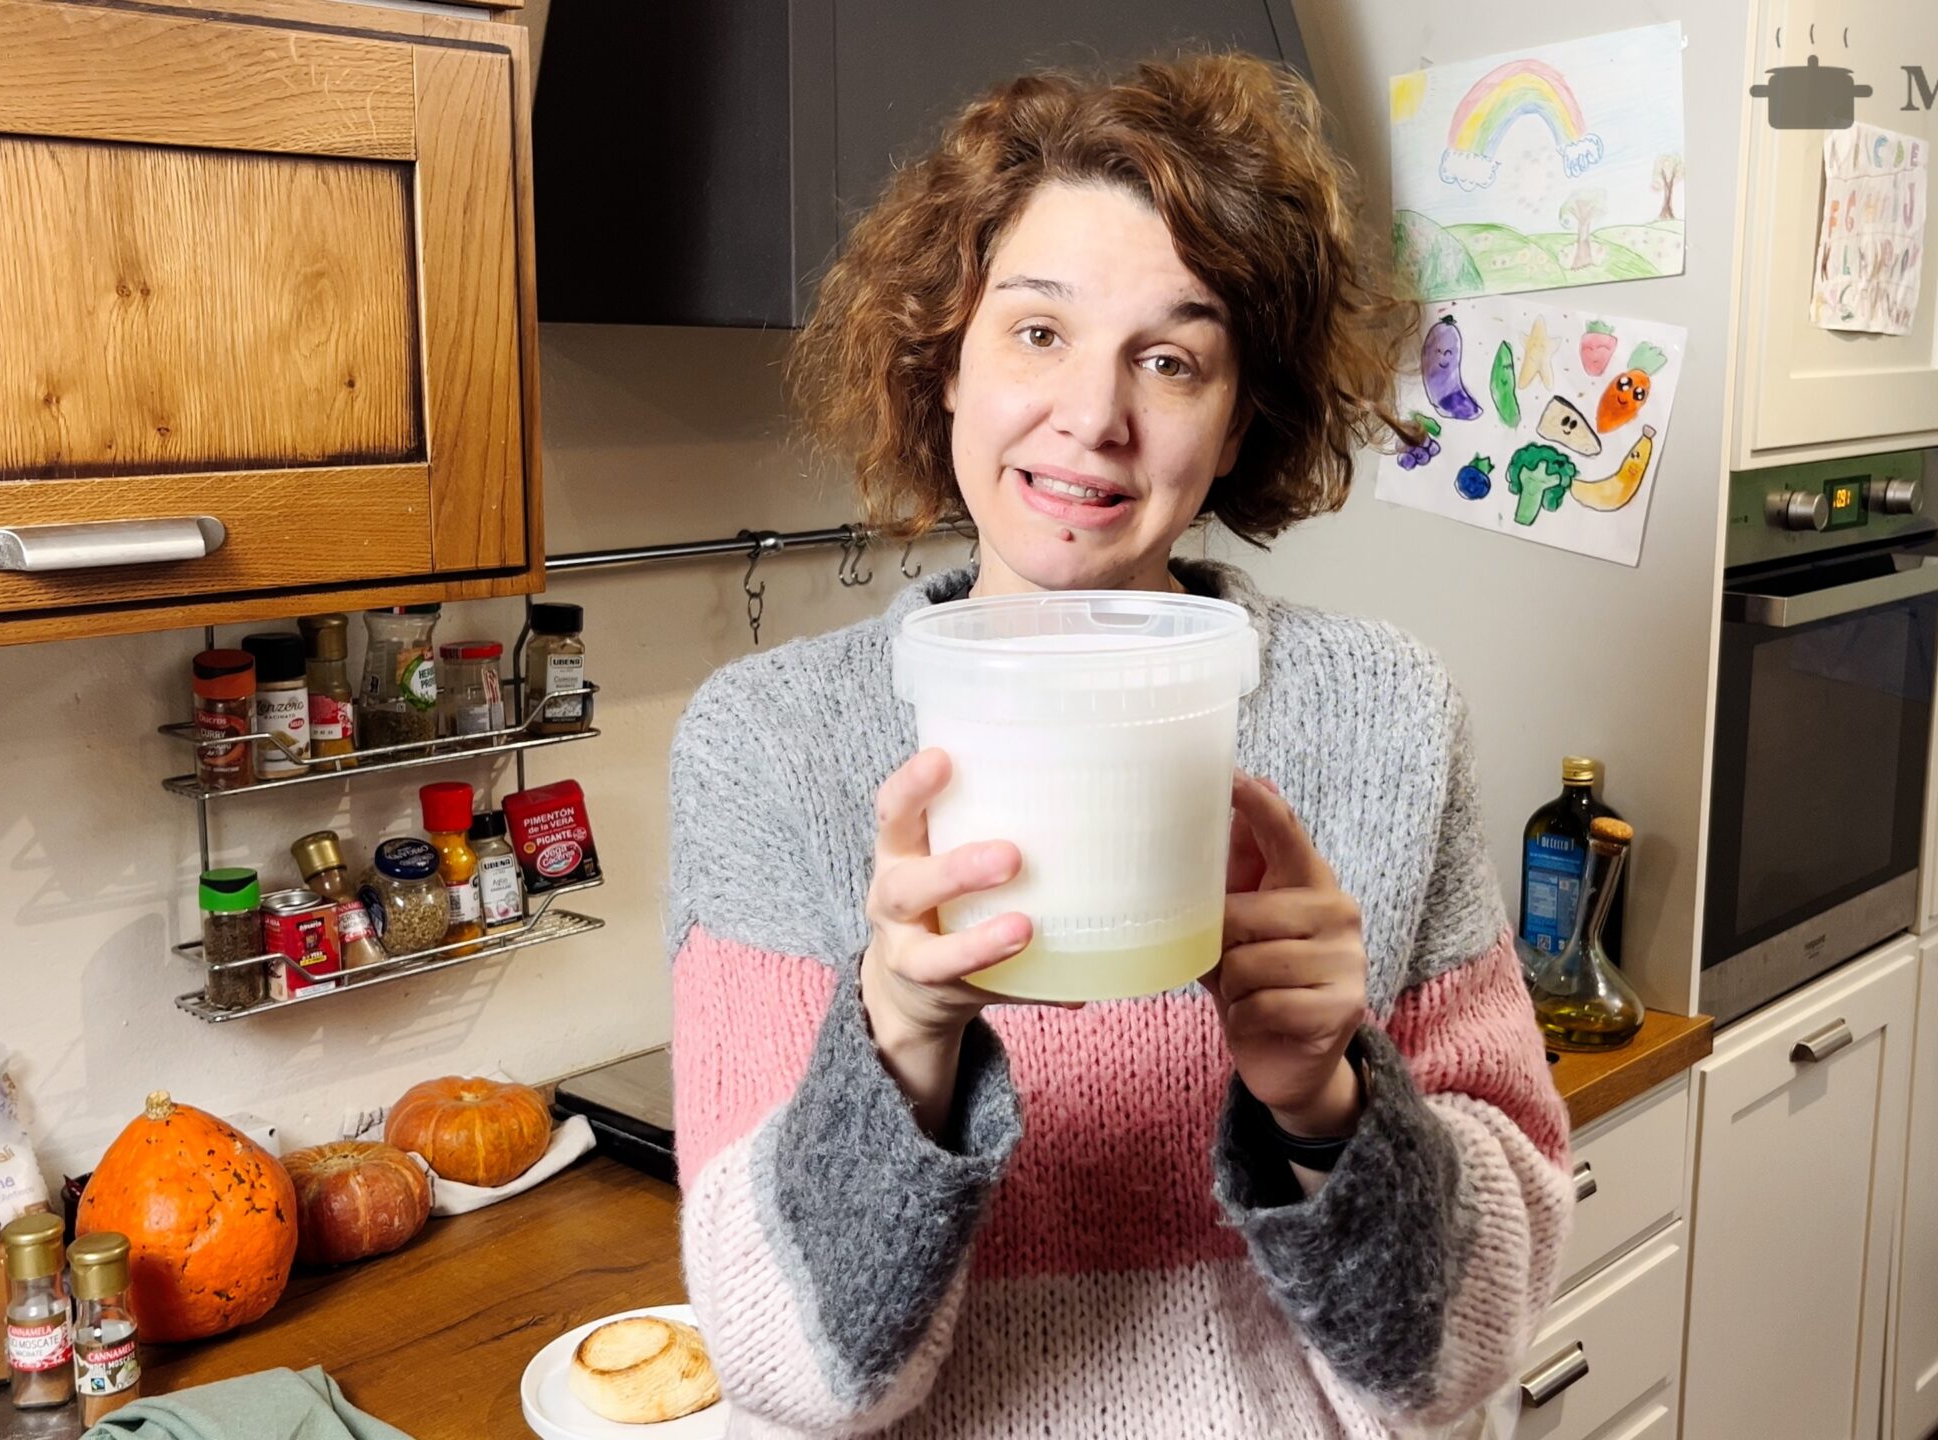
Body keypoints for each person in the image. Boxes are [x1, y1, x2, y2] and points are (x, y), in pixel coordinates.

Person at [666, 53, 1571, 1438]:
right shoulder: (768, 744)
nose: (1094, 416)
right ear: (944, 364)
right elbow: (788, 1371)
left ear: (1239, 417)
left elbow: (1459, 1358)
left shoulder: (1388, 712)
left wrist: (1327, 1102)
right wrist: (899, 1038)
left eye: (1170, 358)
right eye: (1037, 331)